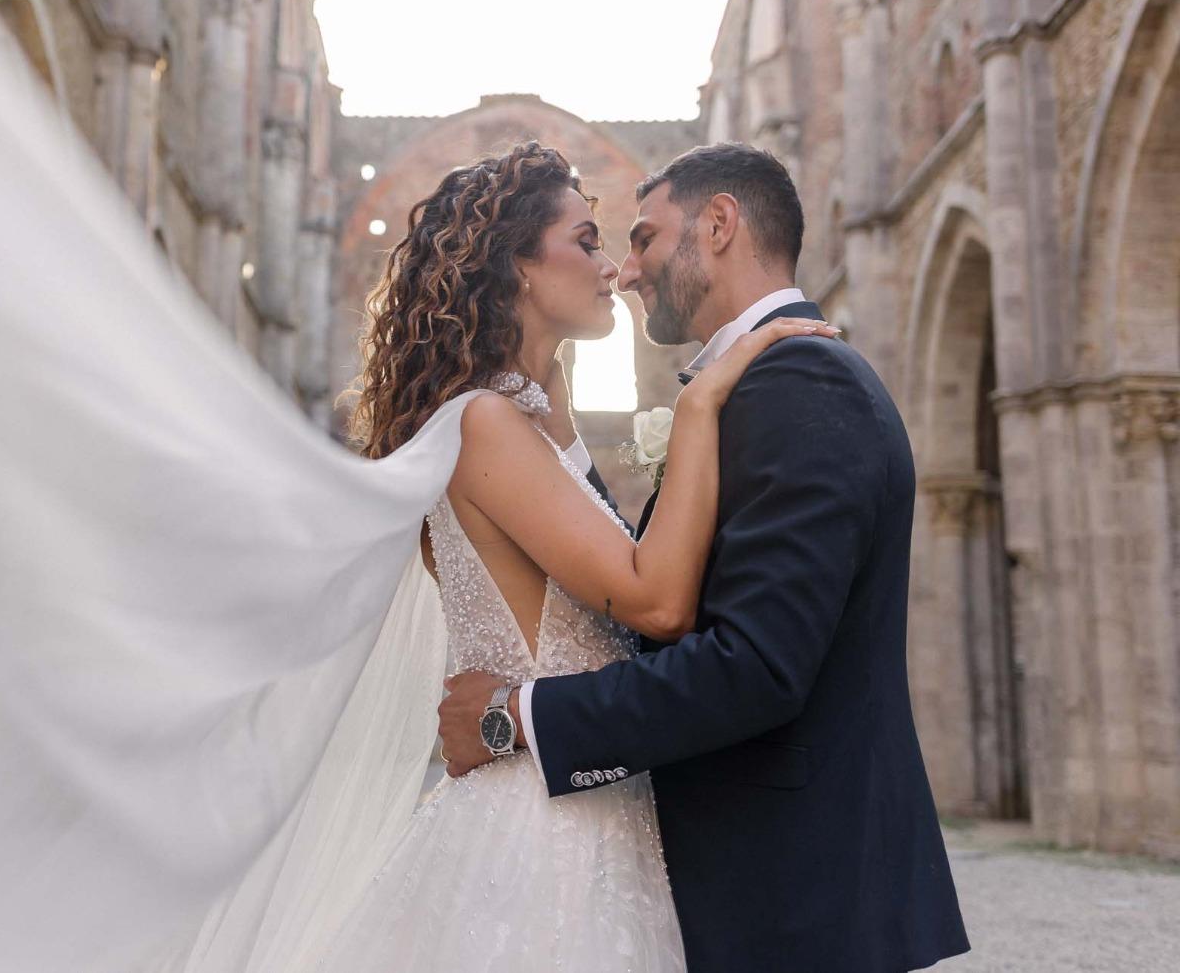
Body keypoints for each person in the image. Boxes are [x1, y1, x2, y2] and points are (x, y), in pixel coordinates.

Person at [437, 143, 970, 972]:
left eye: (644, 238)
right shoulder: (738, 388)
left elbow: (753, 667)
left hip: (792, 901)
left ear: (718, 225)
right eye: (600, 242)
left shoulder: (800, 384)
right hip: (713, 885)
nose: (628, 268)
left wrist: (515, 716)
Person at [310, 141, 835, 971]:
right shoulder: (483, 422)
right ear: (517, 265)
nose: (616, 272)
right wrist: (699, 406)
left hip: (594, 813)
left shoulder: (532, 419)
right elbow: (655, 603)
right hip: (540, 843)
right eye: (589, 242)